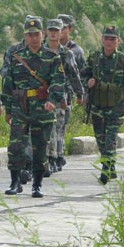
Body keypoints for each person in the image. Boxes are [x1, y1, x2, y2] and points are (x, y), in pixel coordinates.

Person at [1, 17, 65, 197]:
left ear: (42, 34)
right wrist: (7, 108)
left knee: (39, 148)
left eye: (37, 34)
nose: (34, 38)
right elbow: (8, 84)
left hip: (42, 108)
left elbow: (58, 82)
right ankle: (14, 182)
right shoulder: (16, 58)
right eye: (30, 35)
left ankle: (37, 185)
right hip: (20, 108)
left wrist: (52, 100)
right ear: (25, 37)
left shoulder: (52, 57)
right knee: (15, 147)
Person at [81, 25, 124, 184]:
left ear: (118, 41)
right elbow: (82, 77)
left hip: (116, 106)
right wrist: (86, 83)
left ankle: (106, 168)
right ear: (102, 39)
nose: (109, 42)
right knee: (100, 139)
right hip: (97, 106)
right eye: (106, 38)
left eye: (112, 39)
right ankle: (111, 167)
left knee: (110, 138)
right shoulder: (93, 58)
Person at [43, 19, 84, 173]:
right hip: (42, 95)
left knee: (57, 126)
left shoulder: (67, 53)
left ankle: (54, 156)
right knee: (46, 127)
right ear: (46, 32)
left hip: (62, 95)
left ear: (61, 33)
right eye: (50, 30)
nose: (53, 33)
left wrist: (79, 93)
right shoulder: (40, 51)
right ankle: (47, 157)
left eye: (56, 30)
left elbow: (74, 75)